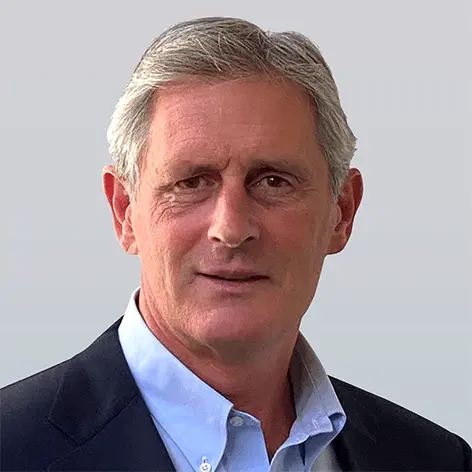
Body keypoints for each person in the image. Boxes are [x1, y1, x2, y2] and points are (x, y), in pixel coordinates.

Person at [1, 16, 470, 472]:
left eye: (272, 181)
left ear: (341, 212)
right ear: (125, 211)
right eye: (191, 182)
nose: (231, 227)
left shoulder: (437, 460)